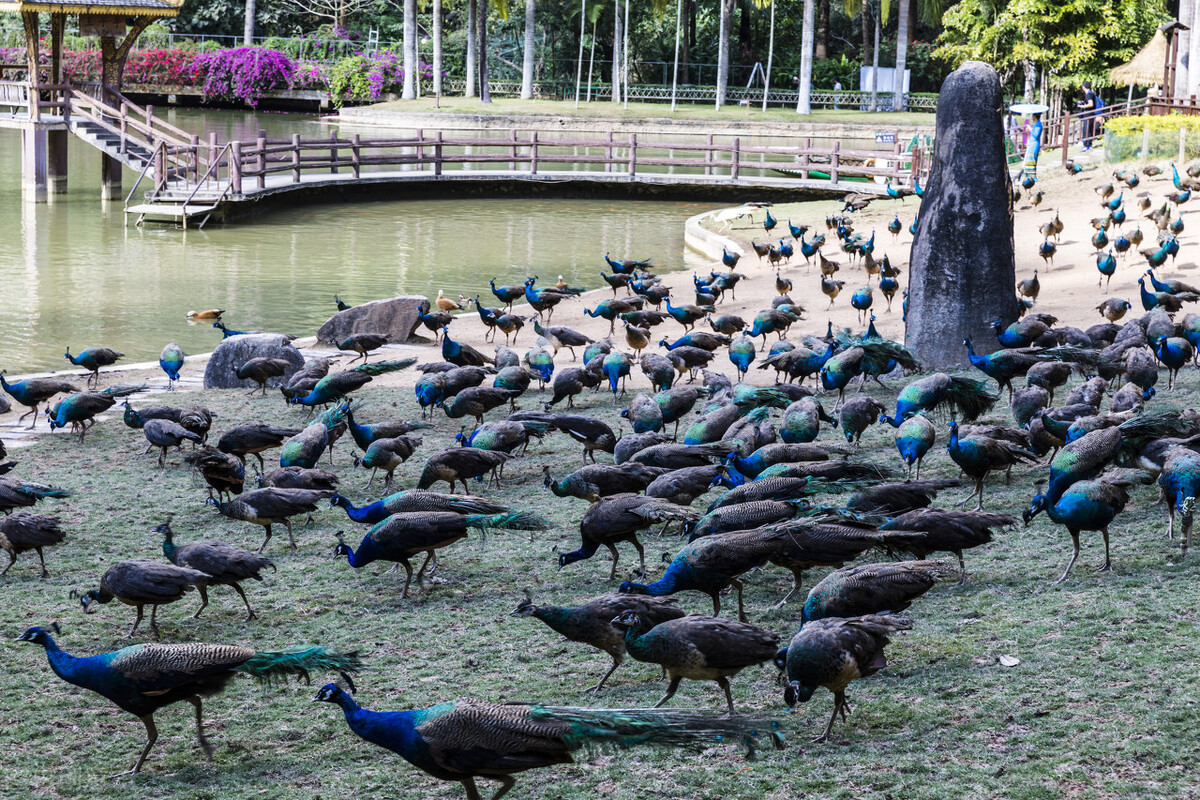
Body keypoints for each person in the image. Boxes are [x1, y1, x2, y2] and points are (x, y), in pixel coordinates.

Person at [1022, 112, 1043, 181]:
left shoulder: (1039, 124)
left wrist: (1031, 129)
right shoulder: (1035, 124)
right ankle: (1027, 175)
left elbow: (1036, 135)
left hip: (1035, 144)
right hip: (1031, 143)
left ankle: (1032, 176)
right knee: (1028, 159)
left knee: (1032, 159)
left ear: (1034, 116)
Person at [1079, 81, 1098, 151]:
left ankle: (1087, 145)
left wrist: (1083, 106)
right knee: (1087, 129)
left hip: (1088, 114)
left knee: (1086, 130)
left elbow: (1091, 104)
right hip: (1090, 114)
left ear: (1083, 87)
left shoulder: (1089, 94)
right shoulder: (1090, 94)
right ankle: (1087, 144)